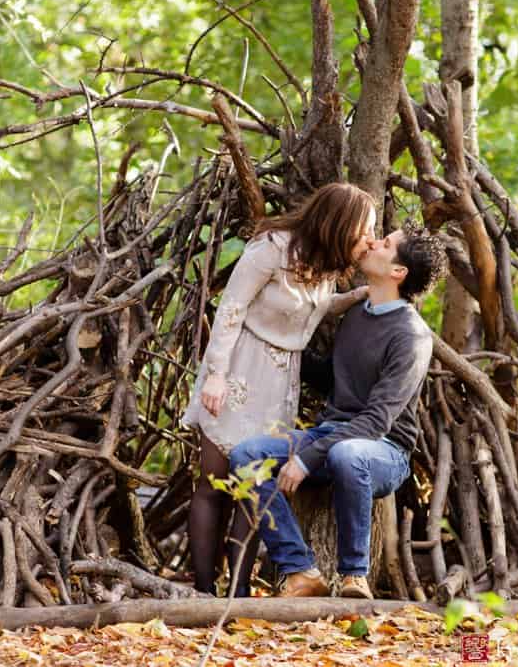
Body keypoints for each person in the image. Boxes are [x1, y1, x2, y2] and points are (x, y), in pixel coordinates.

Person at [227, 223, 447, 599]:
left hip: (384, 451)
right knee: (246, 456)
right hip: (332, 436)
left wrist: (309, 457)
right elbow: (334, 377)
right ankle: (300, 571)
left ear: (398, 272)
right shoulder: (359, 313)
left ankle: (353, 576)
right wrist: (269, 342)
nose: (374, 242)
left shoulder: (411, 336)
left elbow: (377, 421)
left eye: (386, 243)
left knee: (349, 454)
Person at [182, 183, 378, 596]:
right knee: (214, 480)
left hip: (280, 379)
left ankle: (236, 596)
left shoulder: (326, 263)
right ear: (340, 223)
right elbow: (231, 310)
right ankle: (203, 592)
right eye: (364, 231)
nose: (369, 240)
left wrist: (355, 296)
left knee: (251, 483)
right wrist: (216, 375)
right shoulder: (272, 248)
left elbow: (314, 308)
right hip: (240, 366)